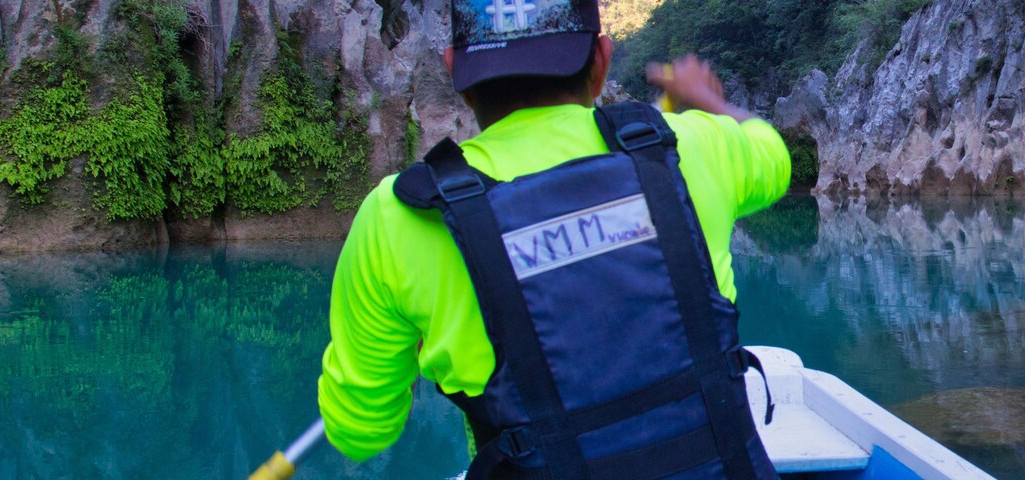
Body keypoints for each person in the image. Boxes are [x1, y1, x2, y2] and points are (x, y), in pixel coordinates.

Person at [315, 0, 790, 478]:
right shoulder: (693, 147)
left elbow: (360, 433)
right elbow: (774, 156)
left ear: (455, 71)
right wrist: (707, 101)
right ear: (601, 61)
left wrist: (414, 344)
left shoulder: (399, 218)